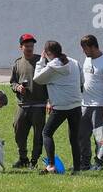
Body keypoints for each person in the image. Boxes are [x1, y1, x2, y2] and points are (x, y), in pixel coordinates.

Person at [34, 41, 86, 174]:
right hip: (76, 105)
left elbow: (37, 79)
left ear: (48, 53)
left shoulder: (51, 66)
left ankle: (51, 165)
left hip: (60, 107)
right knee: (74, 138)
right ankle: (77, 169)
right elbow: (82, 81)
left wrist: (41, 60)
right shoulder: (74, 62)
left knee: (47, 133)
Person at [9, 33, 48, 168]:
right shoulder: (17, 63)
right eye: (27, 46)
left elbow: (50, 81)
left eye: (31, 46)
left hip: (39, 104)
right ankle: (23, 158)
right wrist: (17, 87)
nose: (30, 48)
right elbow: (12, 82)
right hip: (23, 105)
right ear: (21, 47)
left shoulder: (41, 62)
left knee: (38, 134)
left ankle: (34, 161)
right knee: (18, 130)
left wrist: (49, 101)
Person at [79, 35, 103, 171]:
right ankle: (84, 163)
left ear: (93, 46)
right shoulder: (87, 60)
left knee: (99, 137)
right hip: (85, 104)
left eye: (85, 48)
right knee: (82, 135)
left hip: (99, 105)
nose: (83, 51)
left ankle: (99, 163)